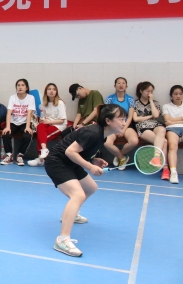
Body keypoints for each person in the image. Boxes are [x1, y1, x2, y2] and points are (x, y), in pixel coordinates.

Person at [45, 104, 126, 257]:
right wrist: (90, 167)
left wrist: (94, 160)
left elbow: (81, 151)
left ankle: (71, 214)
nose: (124, 123)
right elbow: (70, 151)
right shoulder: (92, 133)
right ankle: (62, 240)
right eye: (121, 119)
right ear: (108, 121)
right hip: (57, 162)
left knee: (91, 188)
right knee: (78, 195)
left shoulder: (102, 135)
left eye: (124, 119)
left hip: (71, 162)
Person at [133, 81, 169, 180]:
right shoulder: (134, 103)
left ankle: (156, 158)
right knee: (164, 142)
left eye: (151, 91)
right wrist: (149, 116)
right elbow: (135, 119)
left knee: (162, 129)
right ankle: (165, 168)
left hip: (155, 125)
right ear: (141, 91)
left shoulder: (155, 103)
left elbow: (156, 115)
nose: (149, 93)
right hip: (143, 127)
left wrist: (151, 101)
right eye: (147, 91)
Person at [102, 77, 139, 171]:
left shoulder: (130, 99)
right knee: (107, 143)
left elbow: (130, 116)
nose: (121, 85)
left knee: (134, 141)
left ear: (126, 86)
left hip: (126, 125)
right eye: (118, 83)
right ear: (115, 86)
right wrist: (115, 128)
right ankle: (122, 158)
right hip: (113, 126)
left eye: (123, 83)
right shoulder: (110, 99)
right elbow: (107, 114)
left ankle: (119, 155)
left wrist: (123, 129)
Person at [28, 83, 67, 167]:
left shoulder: (60, 103)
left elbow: (62, 120)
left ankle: (40, 158)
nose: (51, 91)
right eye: (49, 89)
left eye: (54, 89)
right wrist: (42, 120)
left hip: (58, 125)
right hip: (48, 124)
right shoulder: (44, 104)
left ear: (56, 92)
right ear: (46, 91)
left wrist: (48, 122)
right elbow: (44, 117)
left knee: (42, 137)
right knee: (40, 127)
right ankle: (44, 150)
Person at [1, 79, 36, 166]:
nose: (20, 87)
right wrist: (7, 127)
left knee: (28, 135)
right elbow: (9, 113)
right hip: (13, 122)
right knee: (5, 134)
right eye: (18, 85)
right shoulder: (12, 97)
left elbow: (29, 113)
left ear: (26, 88)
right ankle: (9, 155)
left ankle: (20, 155)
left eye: (22, 85)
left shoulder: (30, 98)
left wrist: (28, 127)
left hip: (24, 122)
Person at [162, 85, 183, 184]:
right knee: (172, 146)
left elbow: (170, 120)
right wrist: (182, 118)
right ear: (171, 95)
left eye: (180, 94)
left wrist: (172, 120)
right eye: (175, 94)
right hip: (172, 129)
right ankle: (173, 172)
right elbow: (167, 121)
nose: (178, 96)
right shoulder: (166, 106)